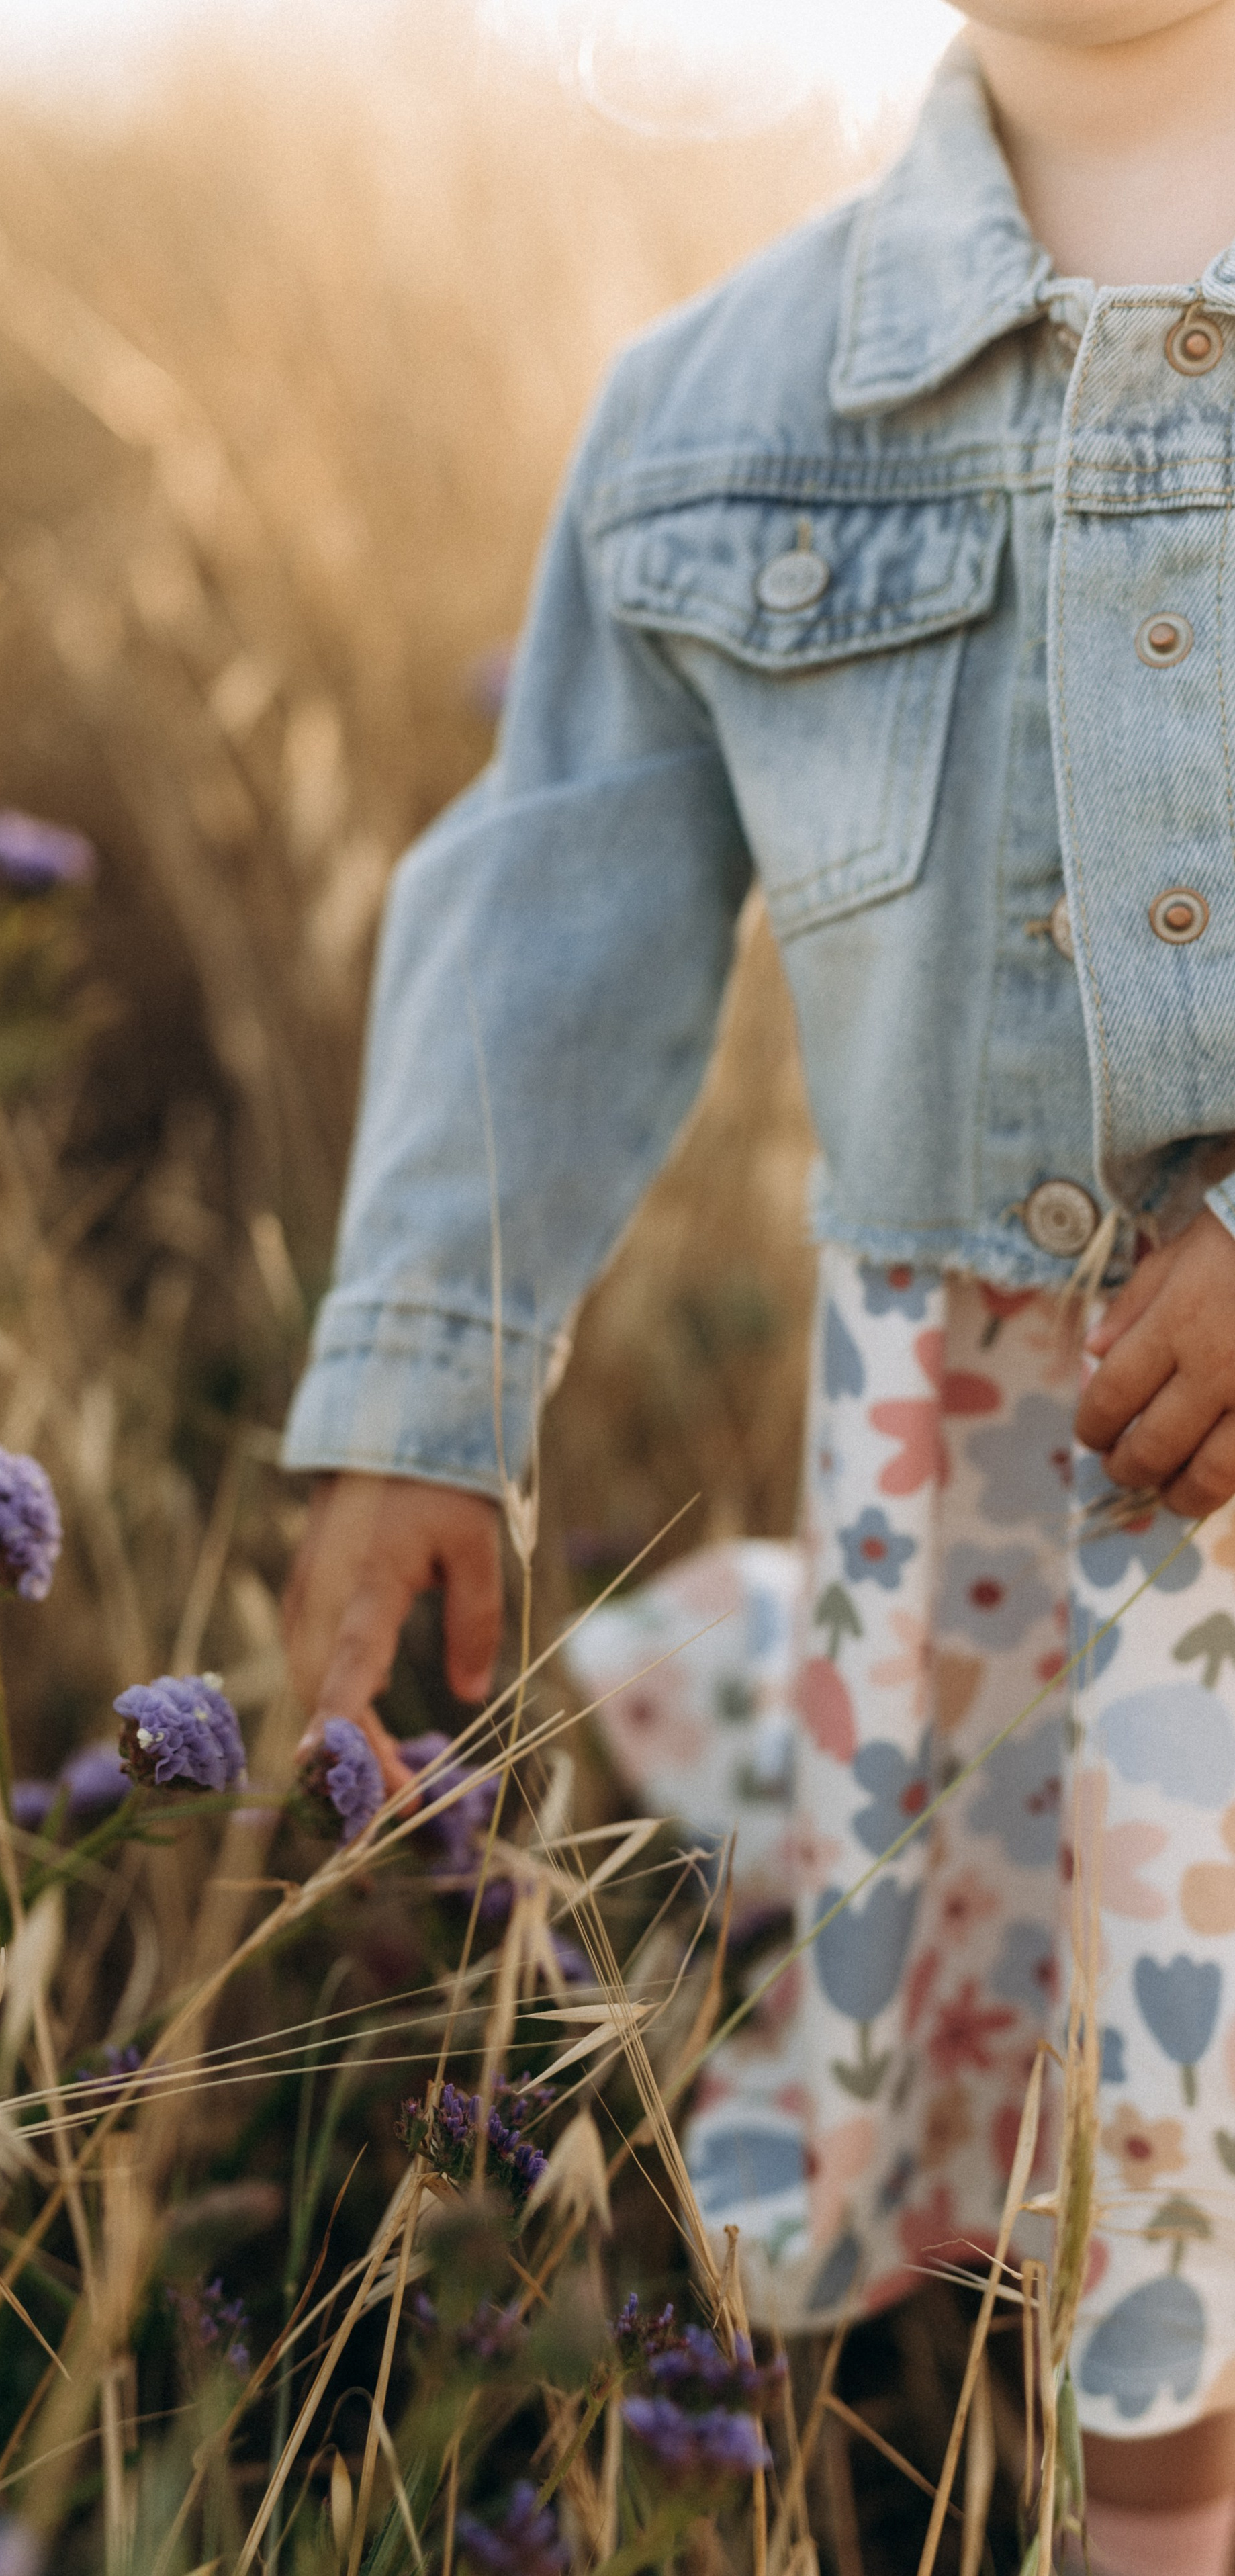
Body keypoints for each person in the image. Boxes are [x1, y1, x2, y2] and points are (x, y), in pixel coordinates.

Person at [277, 3, 1235, 2569]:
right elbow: (551, 903)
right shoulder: (722, 409)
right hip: (983, 1481)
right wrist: (421, 1393)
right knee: (1128, 2268)